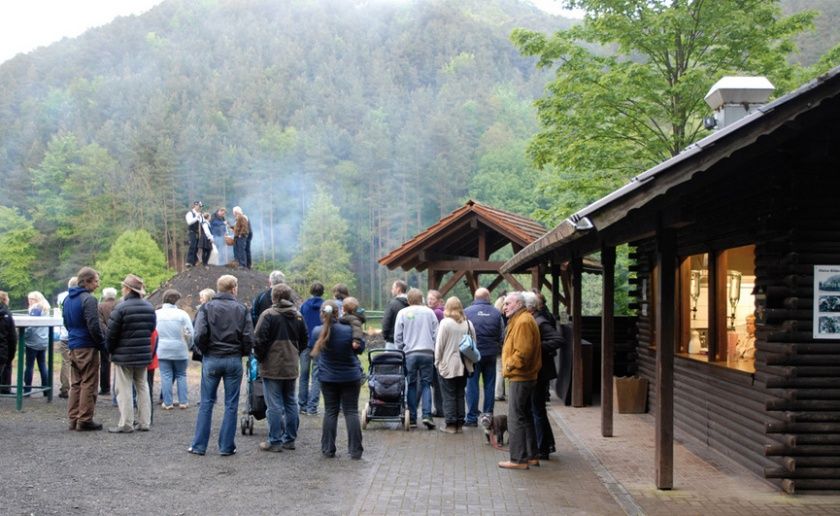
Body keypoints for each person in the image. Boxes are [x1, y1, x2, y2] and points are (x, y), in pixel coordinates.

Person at [189, 274, 253, 456]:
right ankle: (226, 447)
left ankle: (199, 446)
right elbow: (249, 336)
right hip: (233, 359)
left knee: (206, 403)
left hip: (212, 358)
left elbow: (199, 334)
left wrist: (205, 350)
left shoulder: (206, 308)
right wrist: (244, 352)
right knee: (231, 404)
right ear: (234, 288)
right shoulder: (242, 309)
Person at [254, 284, 308, 452]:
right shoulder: (298, 316)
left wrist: (261, 358)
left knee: (274, 405)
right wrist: (294, 354)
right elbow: (304, 340)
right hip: (291, 365)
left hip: (272, 366)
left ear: (273, 297)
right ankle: (290, 439)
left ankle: (275, 440)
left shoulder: (268, 315)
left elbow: (258, 341)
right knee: (291, 402)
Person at [311, 300, 364, 459]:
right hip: (350, 376)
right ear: (338, 312)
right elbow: (360, 348)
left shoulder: (317, 332)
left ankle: (328, 449)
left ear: (322, 313)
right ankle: (355, 451)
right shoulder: (349, 331)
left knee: (330, 412)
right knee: (351, 411)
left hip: (328, 378)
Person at [107, 274, 156, 433]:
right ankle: (144, 422)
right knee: (143, 386)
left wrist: (110, 350)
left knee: (124, 388)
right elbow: (150, 330)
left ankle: (126, 423)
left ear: (127, 289)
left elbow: (112, 334)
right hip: (142, 353)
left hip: (124, 355)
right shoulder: (149, 308)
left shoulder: (120, 308)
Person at [498, 291, 541, 470]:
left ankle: (518, 459)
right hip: (524, 375)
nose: (504, 307)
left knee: (515, 418)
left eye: (507, 304)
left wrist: (508, 366)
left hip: (520, 375)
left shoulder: (523, 321)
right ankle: (531, 456)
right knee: (525, 416)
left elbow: (523, 352)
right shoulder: (521, 319)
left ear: (517, 304)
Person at [63, 267, 105, 431]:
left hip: (73, 345)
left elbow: (66, 322)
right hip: (87, 346)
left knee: (76, 383)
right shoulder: (89, 300)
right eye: (95, 281)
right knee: (89, 382)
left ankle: (73, 419)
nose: (97, 284)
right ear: (86, 281)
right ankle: (85, 419)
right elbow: (94, 326)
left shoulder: (67, 299)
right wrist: (102, 345)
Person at [524, 292, 564, 460]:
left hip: (541, 372)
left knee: (537, 410)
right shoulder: (536, 319)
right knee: (538, 410)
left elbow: (558, 340)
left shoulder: (540, 321)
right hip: (540, 371)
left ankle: (542, 448)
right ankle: (546, 445)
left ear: (529, 307)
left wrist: (536, 347)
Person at [394, 288, 439, 429]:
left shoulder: (402, 313)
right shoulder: (430, 312)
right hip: (427, 353)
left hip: (410, 354)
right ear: (422, 299)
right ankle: (427, 415)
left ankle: (412, 418)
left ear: (408, 300)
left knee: (411, 384)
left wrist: (400, 350)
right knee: (426, 384)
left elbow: (398, 336)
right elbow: (436, 334)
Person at [464, 287, 505, 427]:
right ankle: (489, 415)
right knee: (489, 385)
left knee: (472, 385)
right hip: (491, 354)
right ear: (488, 298)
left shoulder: (467, 312)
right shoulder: (496, 313)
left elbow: (464, 334)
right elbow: (502, 335)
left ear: (475, 298)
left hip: (472, 355)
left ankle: (471, 418)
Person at [434, 296, 475, 434]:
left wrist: (437, 361)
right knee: (459, 394)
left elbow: (439, 345)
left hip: (448, 364)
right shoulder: (468, 324)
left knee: (448, 395)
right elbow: (474, 344)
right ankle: (459, 423)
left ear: (448, 308)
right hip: (464, 364)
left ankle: (450, 424)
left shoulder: (445, 323)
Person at [156, 289, 193, 409]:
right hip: (180, 348)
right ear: (176, 300)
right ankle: (183, 401)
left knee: (165, 375)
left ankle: (167, 403)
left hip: (162, 349)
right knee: (181, 375)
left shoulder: (157, 314)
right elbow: (190, 333)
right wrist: (189, 346)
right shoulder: (182, 314)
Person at [299, 282, 324, 415]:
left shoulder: (303, 306)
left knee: (303, 375)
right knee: (316, 376)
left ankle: (302, 405)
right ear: (322, 292)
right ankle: (312, 407)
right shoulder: (325, 306)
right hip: (319, 345)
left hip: (304, 344)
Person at [22, 291, 50, 395]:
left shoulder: (35, 309)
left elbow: (31, 326)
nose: (29, 301)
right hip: (43, 341)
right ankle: (46, 389)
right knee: (42, 365)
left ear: (36, 300)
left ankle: (27, 389)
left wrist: (23, 335)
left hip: (33, 342)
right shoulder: (45, 308)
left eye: (31, 299)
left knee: (29, 365)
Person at [55, 277, 78, 398]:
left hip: (64, 333)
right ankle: (77, 388)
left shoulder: (61, 297)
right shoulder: (80, 298)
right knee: (79, 362)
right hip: (76, 334)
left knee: (65, 362)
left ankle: (64, 388)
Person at [425, 289, 445, 417]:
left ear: (438, 301)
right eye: (428, 298)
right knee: (437, 382)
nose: (429, 301)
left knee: (434, 382)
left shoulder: (436, 312)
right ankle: (440, 408)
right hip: (439, 351)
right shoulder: (442, 311)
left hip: (434, 351)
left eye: (432, 299)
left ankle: (438, 409)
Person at [97, 287, 118, 396]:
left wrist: (108, 333)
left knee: (105, 363)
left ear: (105, 296)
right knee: (120, 364)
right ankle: (118, 388)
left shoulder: (100, 306)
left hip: (105, 338)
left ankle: (105, 388)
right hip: (119, 337)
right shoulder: (119, 305)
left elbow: (100, 323)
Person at [381, 280, 408, 349]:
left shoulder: (392, 304)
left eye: (393, 288)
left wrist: (386, 336)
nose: (391, 290)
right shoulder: (410, 304)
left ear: (398, 289)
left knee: (390, 359)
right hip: (407, 342)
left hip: (392, 341)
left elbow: (386, 322)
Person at [0, 291, 16, 395]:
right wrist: (12, 353)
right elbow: (12, 337)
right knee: (6, 365)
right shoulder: (7, 314)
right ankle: (5, 388)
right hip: (3, 348)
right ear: (5, 300)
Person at [494, 292, 507, 402]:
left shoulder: (494, 315)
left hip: (493, 345)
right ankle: (498, 393)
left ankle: (500, 392)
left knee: (498, 369)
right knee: (500, 370)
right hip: (501, 345)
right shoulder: (504, 317)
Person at [185, 200, 203, 268]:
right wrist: (197, 217)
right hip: (192, 232)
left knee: (196, 247)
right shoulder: (189, 213)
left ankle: (194, 262)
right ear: (195, 205)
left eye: (200, 206)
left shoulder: (199, 214)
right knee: (192, 246)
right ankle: (189, 262)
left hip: (198, 233)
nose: (200, 208)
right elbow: (189, 222)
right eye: (199, 206)